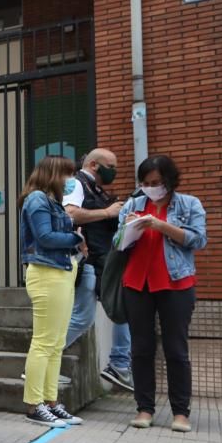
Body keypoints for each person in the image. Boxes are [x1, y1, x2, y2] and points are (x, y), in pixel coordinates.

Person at [118, 155, 206, 433]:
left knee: (176, 349)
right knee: (141, 348)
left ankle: (181, 412)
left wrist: (161, 226)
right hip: (137, 283)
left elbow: (198, 239)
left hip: (176, 283)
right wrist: (128, 229)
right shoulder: (133, 204)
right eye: (145, 183)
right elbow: (116, 244)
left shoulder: (188, 204)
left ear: (169, 181)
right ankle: (144, 409)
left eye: (156, 182)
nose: (151, 187)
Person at [19, 155, 85, 428]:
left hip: (61, 271)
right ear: (54, 174)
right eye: (67, 175)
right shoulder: (37, 199)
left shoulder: (51, 201)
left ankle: (50, 402)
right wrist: (76, 238)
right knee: (45, 342)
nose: (71, 181)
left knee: (56, 343)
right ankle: (35, 405)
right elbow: (45, 237)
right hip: (47, 273)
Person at [63, 149, 132, 391]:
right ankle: (120, 364)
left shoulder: (96, 189)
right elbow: (69, 214)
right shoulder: (75, 183)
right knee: (117, 307)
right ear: (93, 164)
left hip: (102, 260)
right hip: (91, 262)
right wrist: (107, 212)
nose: (114, 171)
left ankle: (120, 363)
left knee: (86, 317)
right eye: (110, 166)